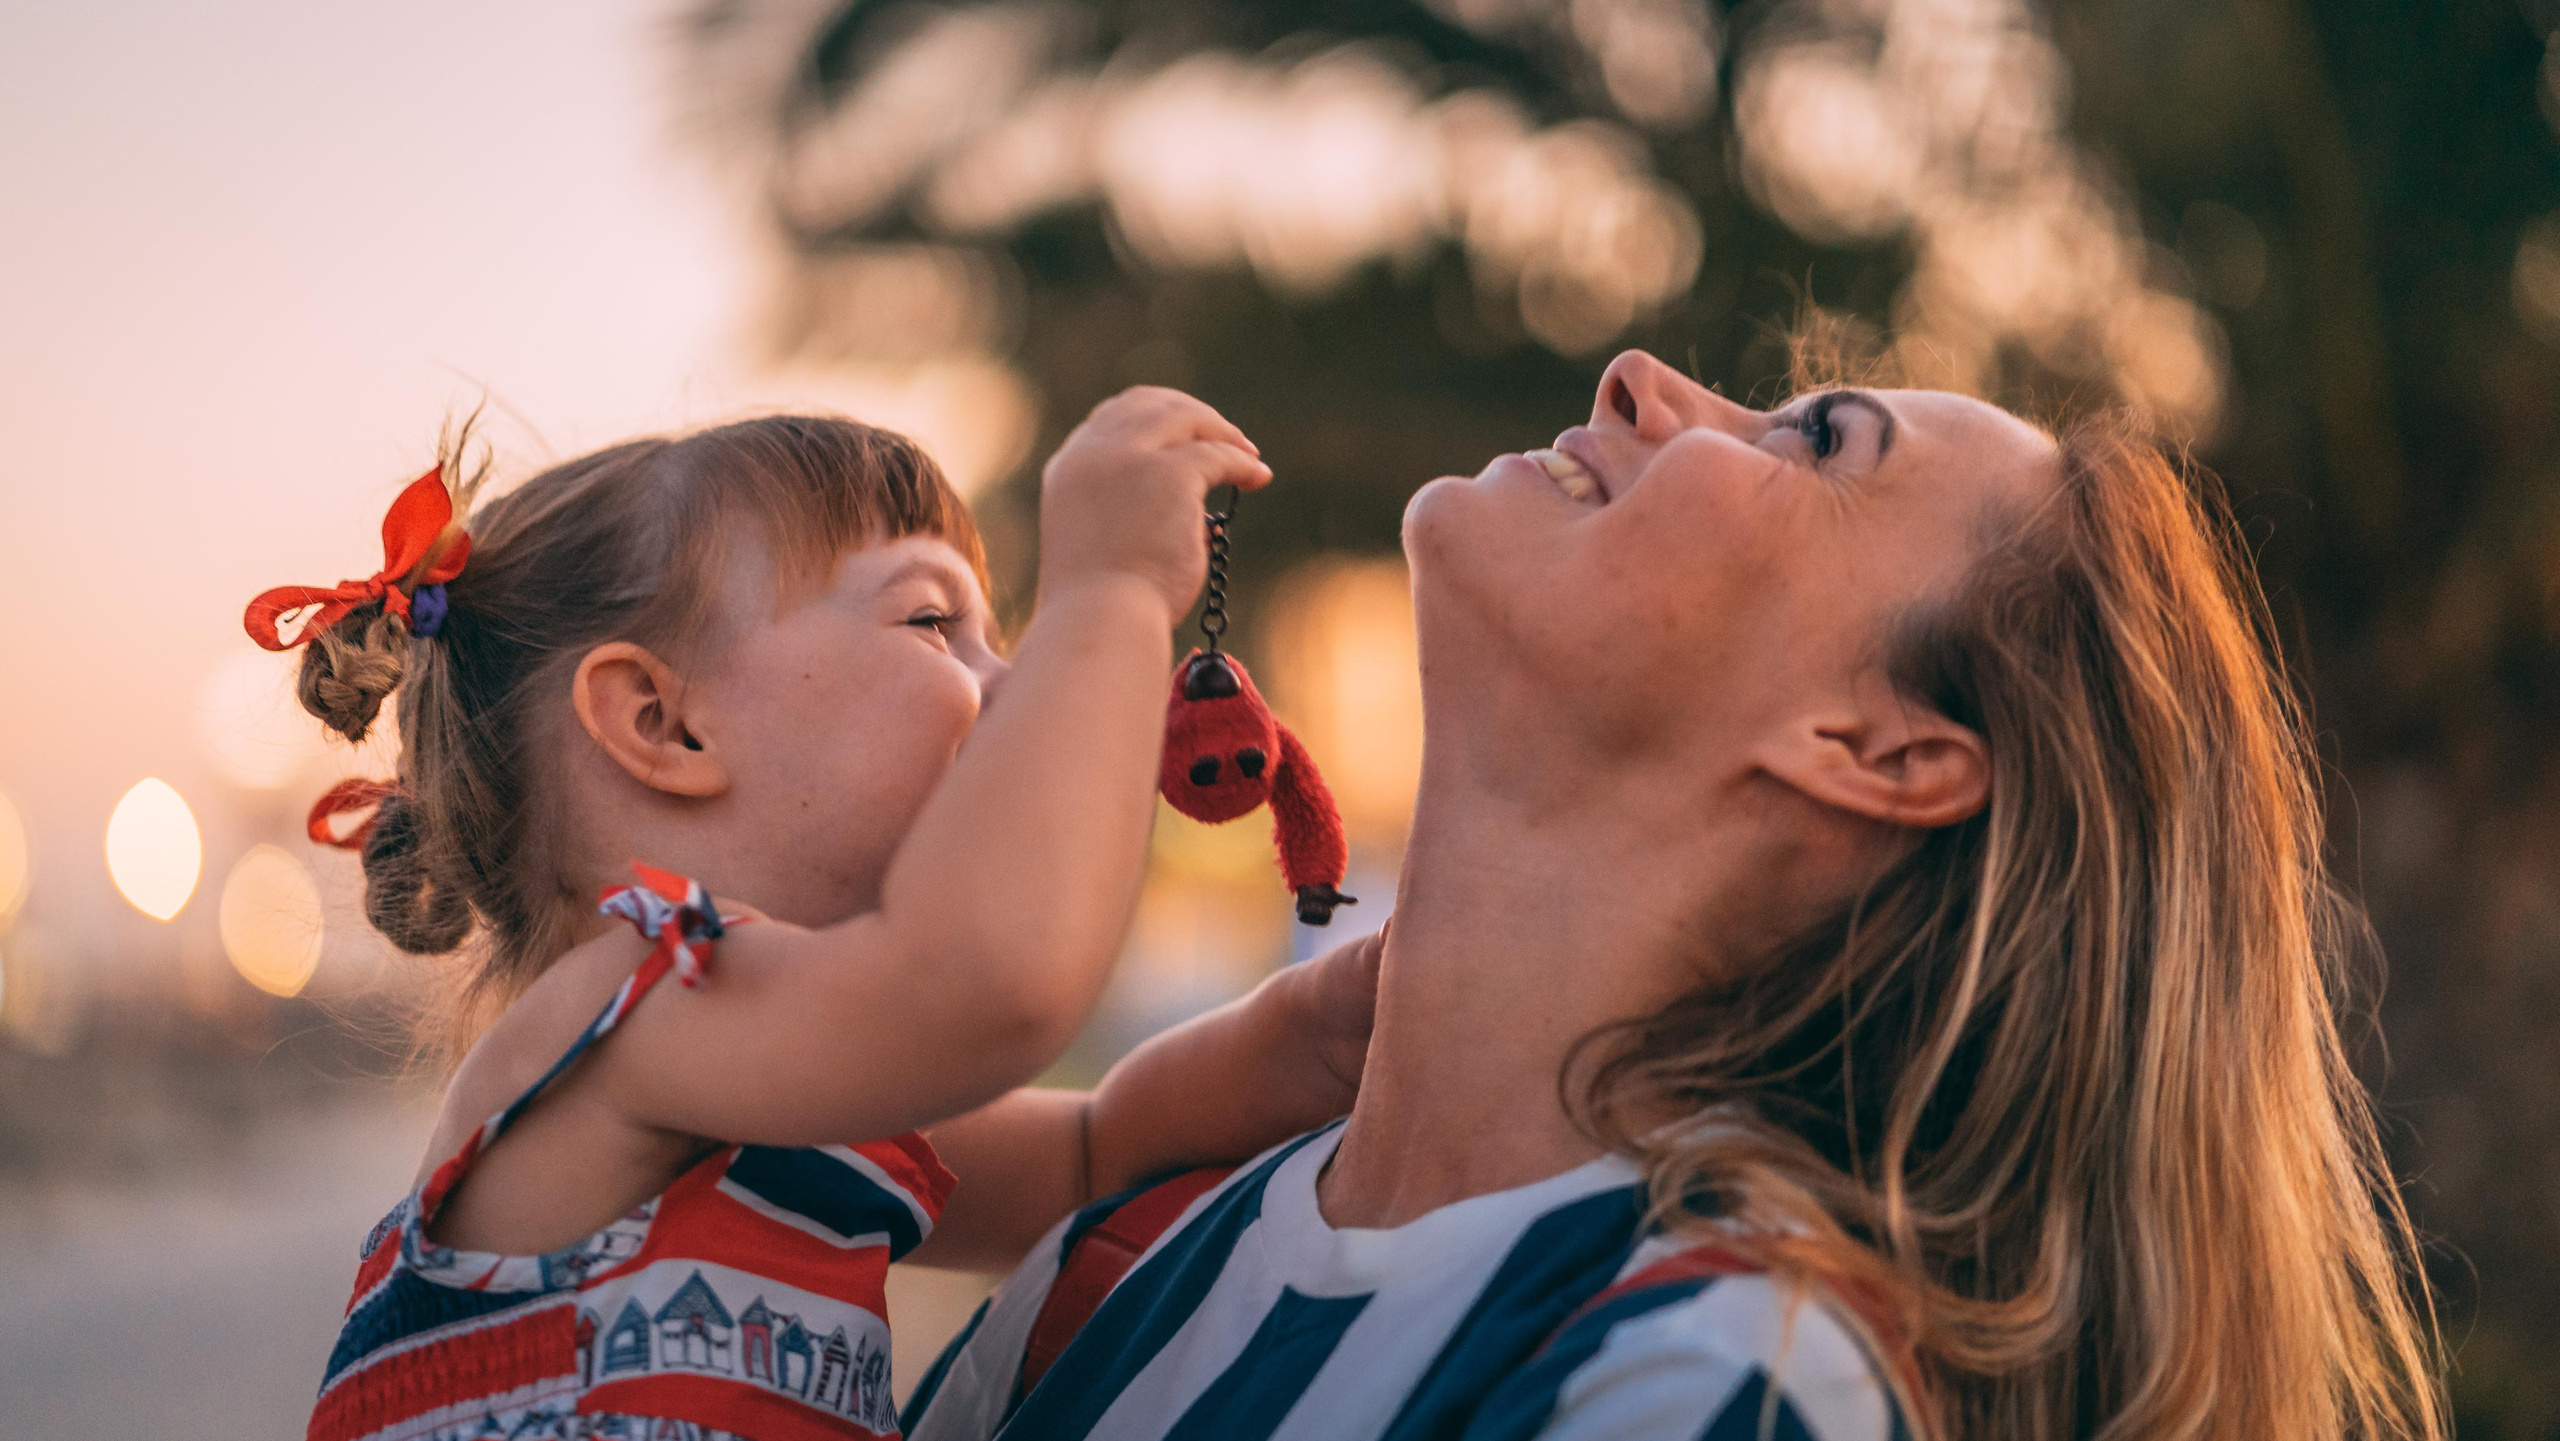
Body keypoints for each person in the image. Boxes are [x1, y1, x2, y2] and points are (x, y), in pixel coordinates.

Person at [902, 347, 2448, 1441]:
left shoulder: (1727, 1384)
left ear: (1880, 748)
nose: (1638, 379)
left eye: (1818, 440)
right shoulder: (1128, 1252)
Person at [263, 392, 1384, 1441]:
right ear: (662, 722)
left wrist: (1311, 1033)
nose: (1009, 685)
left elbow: (1095, 1153)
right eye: (934, 620)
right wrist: (1109, 593)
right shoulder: (617, 1020)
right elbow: (991, 983)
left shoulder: (769, 1075)